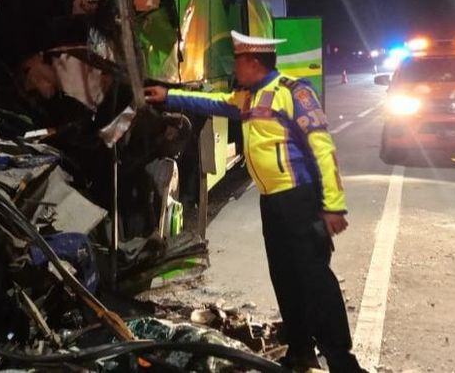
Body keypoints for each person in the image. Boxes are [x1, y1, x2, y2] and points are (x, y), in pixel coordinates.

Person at [143, 31, 367, 373]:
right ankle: (301, 352)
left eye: (238, 61)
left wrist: (333, 205)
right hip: (271, 203)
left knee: (315, 281)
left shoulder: (294, 92)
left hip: (300, 199)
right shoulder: (249, 97)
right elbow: (214, 103)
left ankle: (342, 362)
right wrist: (169, 96)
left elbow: (323, 148)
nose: (235, 68)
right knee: (285, 278)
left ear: (253, 62)